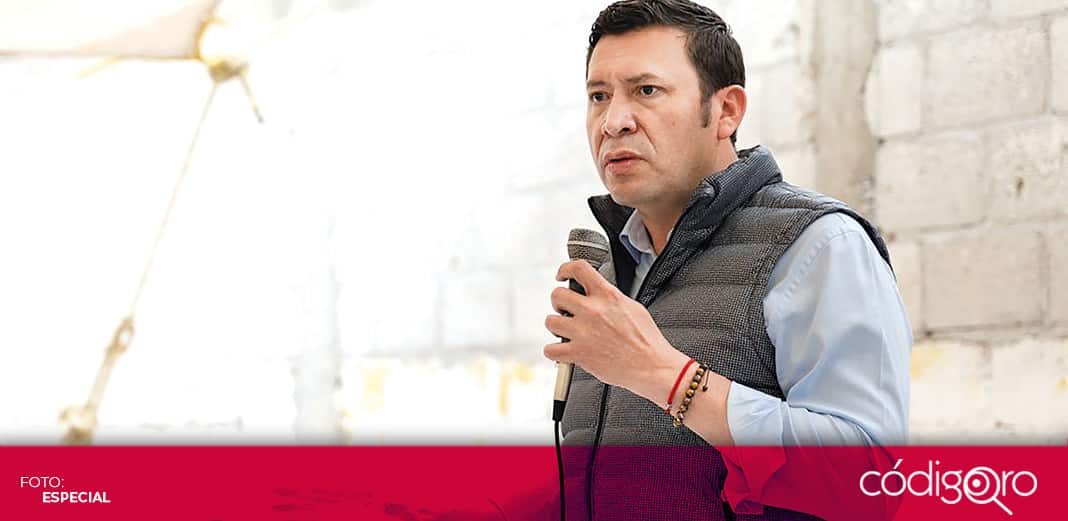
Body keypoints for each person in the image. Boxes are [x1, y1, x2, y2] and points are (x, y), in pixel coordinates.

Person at [540, 1, 912, 519]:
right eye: (598, 96)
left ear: (727, 111)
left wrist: (665, 376)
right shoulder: (611, 273)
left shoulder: (819, 246)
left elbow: (869, 483)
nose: (613, 122)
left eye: (646, 91)